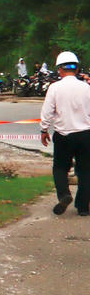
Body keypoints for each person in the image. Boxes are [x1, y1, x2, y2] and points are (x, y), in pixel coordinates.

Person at [39, 51, 90, 216]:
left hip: (63, 135)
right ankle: (82, 207)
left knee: (60, 168)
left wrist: (44, 130)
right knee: (85, 171)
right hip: (85, 135)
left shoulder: (55, 88)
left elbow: (47, 112)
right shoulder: (86, 87)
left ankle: (64, 195)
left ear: (60, 70)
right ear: (76, 69)